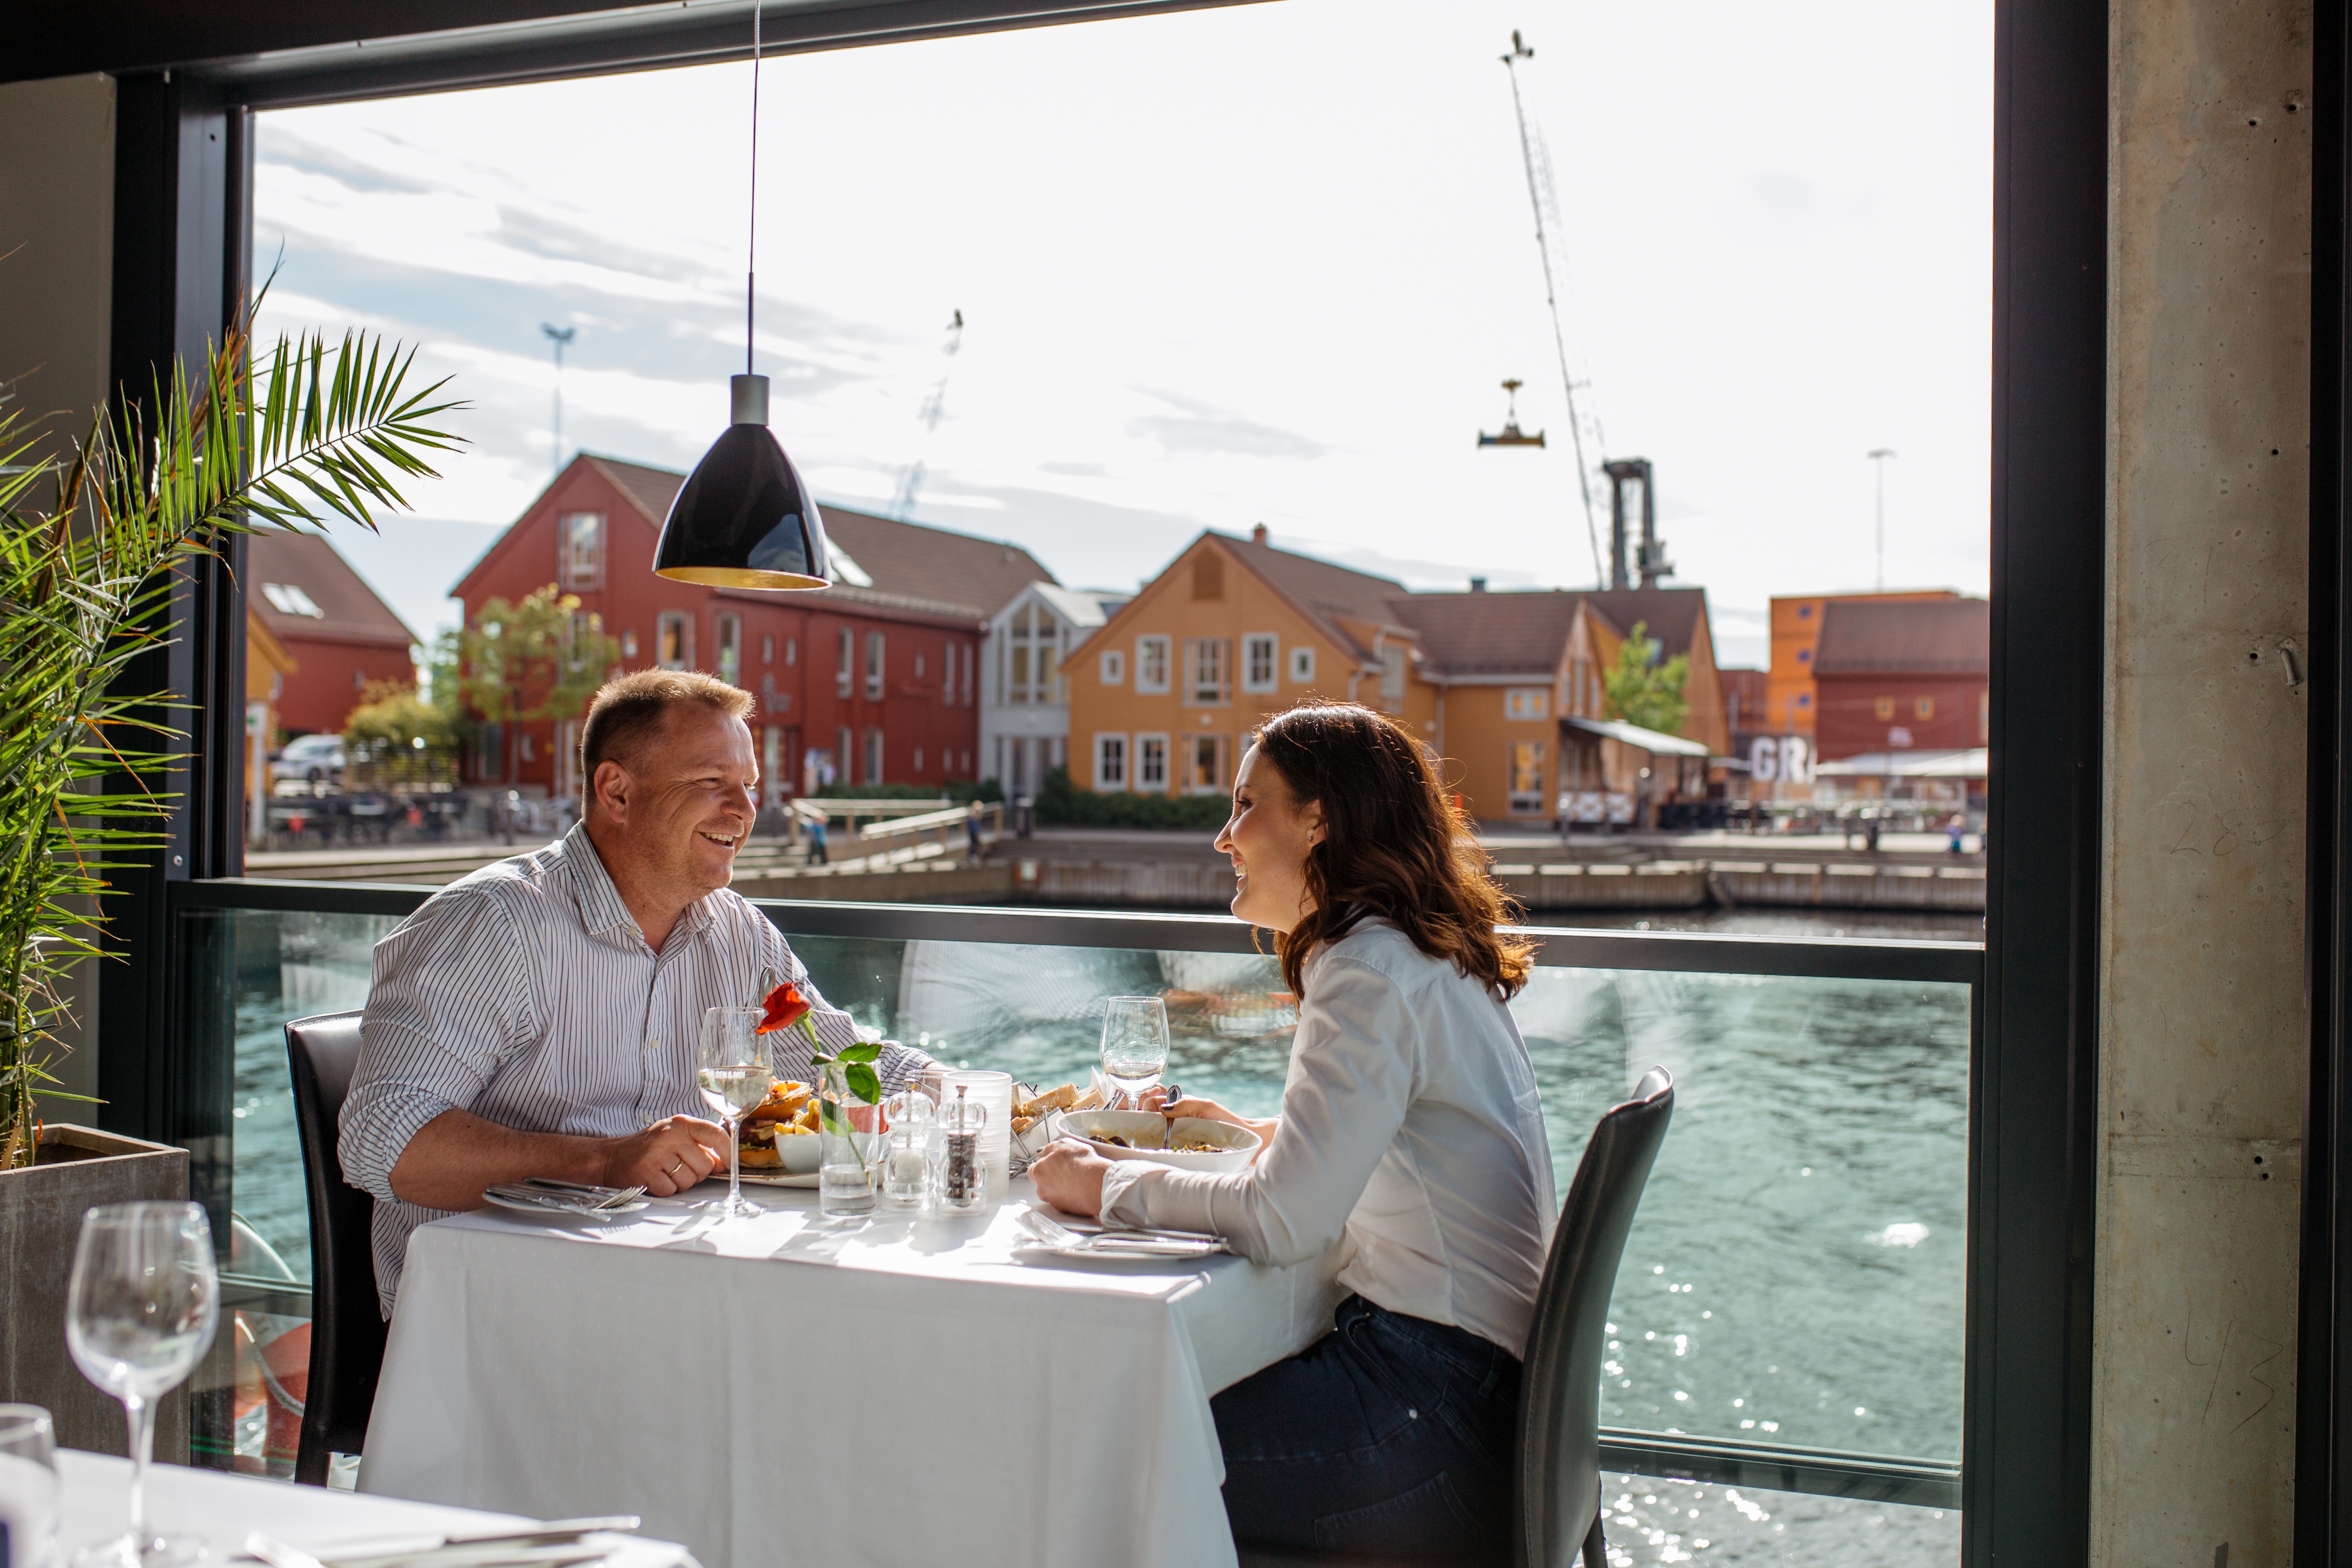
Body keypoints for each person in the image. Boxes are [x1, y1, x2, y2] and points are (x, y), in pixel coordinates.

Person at [1031, 702, 1557, 1562]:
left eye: (1246, 805)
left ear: (1320, 820)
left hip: (1434, 1415)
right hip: (1482, 1401)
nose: (1222, 836)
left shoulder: (1367, 967)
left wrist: (1103, 1185)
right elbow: (1400, 1140)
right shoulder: (1417, 953)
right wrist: (1250, 1129)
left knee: (1104, 1461)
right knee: (1136, 1433)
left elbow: (1285, 1219)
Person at [342, 670, 930, 1314]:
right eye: (712, 783)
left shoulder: (739, 931)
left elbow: (840, 1064)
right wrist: (604, 1161)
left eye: (748, 786)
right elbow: (382, 1141)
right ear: (616, 791)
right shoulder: (492, 923)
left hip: (666, 1289)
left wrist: (996, 1105)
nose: (744, 810)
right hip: (494, 1311)